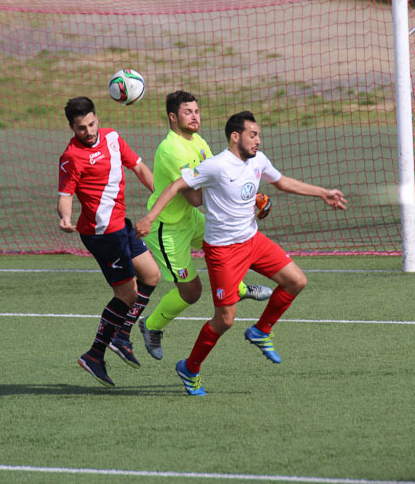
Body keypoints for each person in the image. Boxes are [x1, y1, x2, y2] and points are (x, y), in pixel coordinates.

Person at [135, 111, 347, 396]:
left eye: (258, 134)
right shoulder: (216, 166)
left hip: (253, 241)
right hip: (223, 251)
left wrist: (322, 193)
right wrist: (150, 218)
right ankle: (190, 368)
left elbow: (281, 182)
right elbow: (176, 186)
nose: (258, 140)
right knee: (225, 320)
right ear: (235, 136)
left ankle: (261, 330)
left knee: (296, 281)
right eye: (253, 134)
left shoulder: (257, 160)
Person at [132, 91, 272, 362]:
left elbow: (221, 175)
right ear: (173, 117)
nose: (195, 116)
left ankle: (239, 289)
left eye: (196, 111)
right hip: (168, 229)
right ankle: (151, 326)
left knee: (225, 240)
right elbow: (196, 197)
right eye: (188, 112)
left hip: (189, 219)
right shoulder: (171, 149)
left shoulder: (198, 140)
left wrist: (250, 195)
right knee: (192, 292)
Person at [57, 96, 161, 388]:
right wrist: (65, 219)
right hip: (102, 234)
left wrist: (162, 197)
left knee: (152, 276)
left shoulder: (113, 138)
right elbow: (65, 195)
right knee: (128, 295)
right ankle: (95, 354)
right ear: (71, 127)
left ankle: (122, 336)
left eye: (91, 124)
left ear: (97, 118)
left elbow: (139, 167)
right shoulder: (71, 156)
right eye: (80, 128)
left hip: (122, 226)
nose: (88, 132)